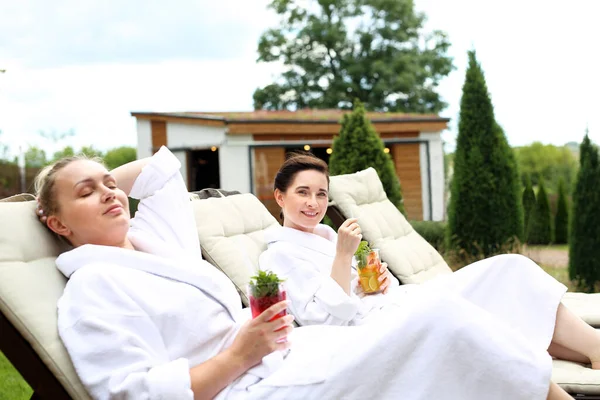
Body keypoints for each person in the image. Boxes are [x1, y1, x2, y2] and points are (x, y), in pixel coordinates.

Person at [35, 146, 574, 399]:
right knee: (440, 321)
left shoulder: (159, 244)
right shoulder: (92, 290)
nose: (109, 192)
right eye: (87, 193)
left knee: (474, 298)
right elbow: (134, 395)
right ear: (55, 221)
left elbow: (160, 169)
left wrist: (95, 180)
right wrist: (237, 356)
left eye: (110, 184)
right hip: (250, 387)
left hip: (290, 355)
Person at [259, 152, 600, 394]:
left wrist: (377, 278)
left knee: (511, 268)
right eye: (302, 192)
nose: (313, 203)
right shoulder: (279, 256)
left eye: (321, 194)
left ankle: (593, 349)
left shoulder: (330, 237)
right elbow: (322, 321)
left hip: (400, 303)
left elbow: (379, 287)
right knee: (501, 280)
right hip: (384, 331)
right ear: (279, 197)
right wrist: (344, 257)